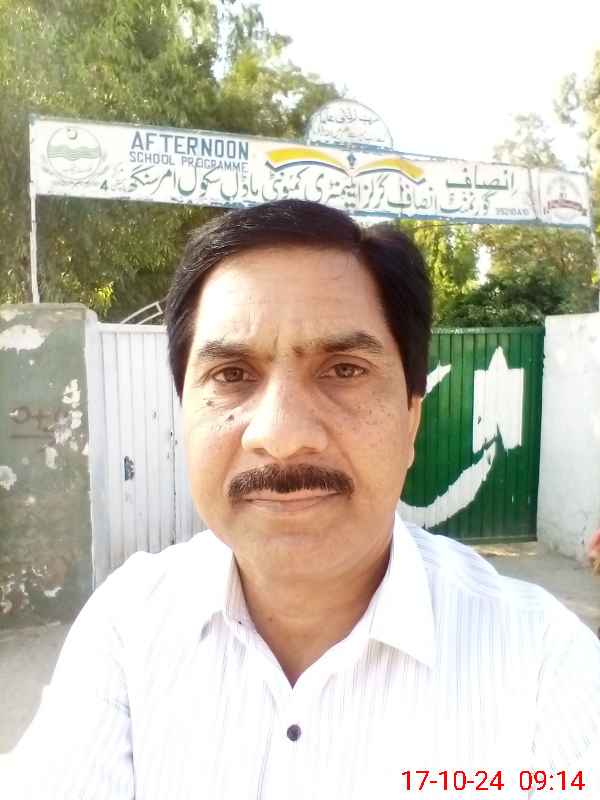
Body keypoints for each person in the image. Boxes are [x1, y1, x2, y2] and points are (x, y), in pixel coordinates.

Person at [4, 199, 600, 799]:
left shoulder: (543, 665)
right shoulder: (128, 628)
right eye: (232, 374)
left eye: (343, 370)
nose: (282, 436)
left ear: (411, 420)